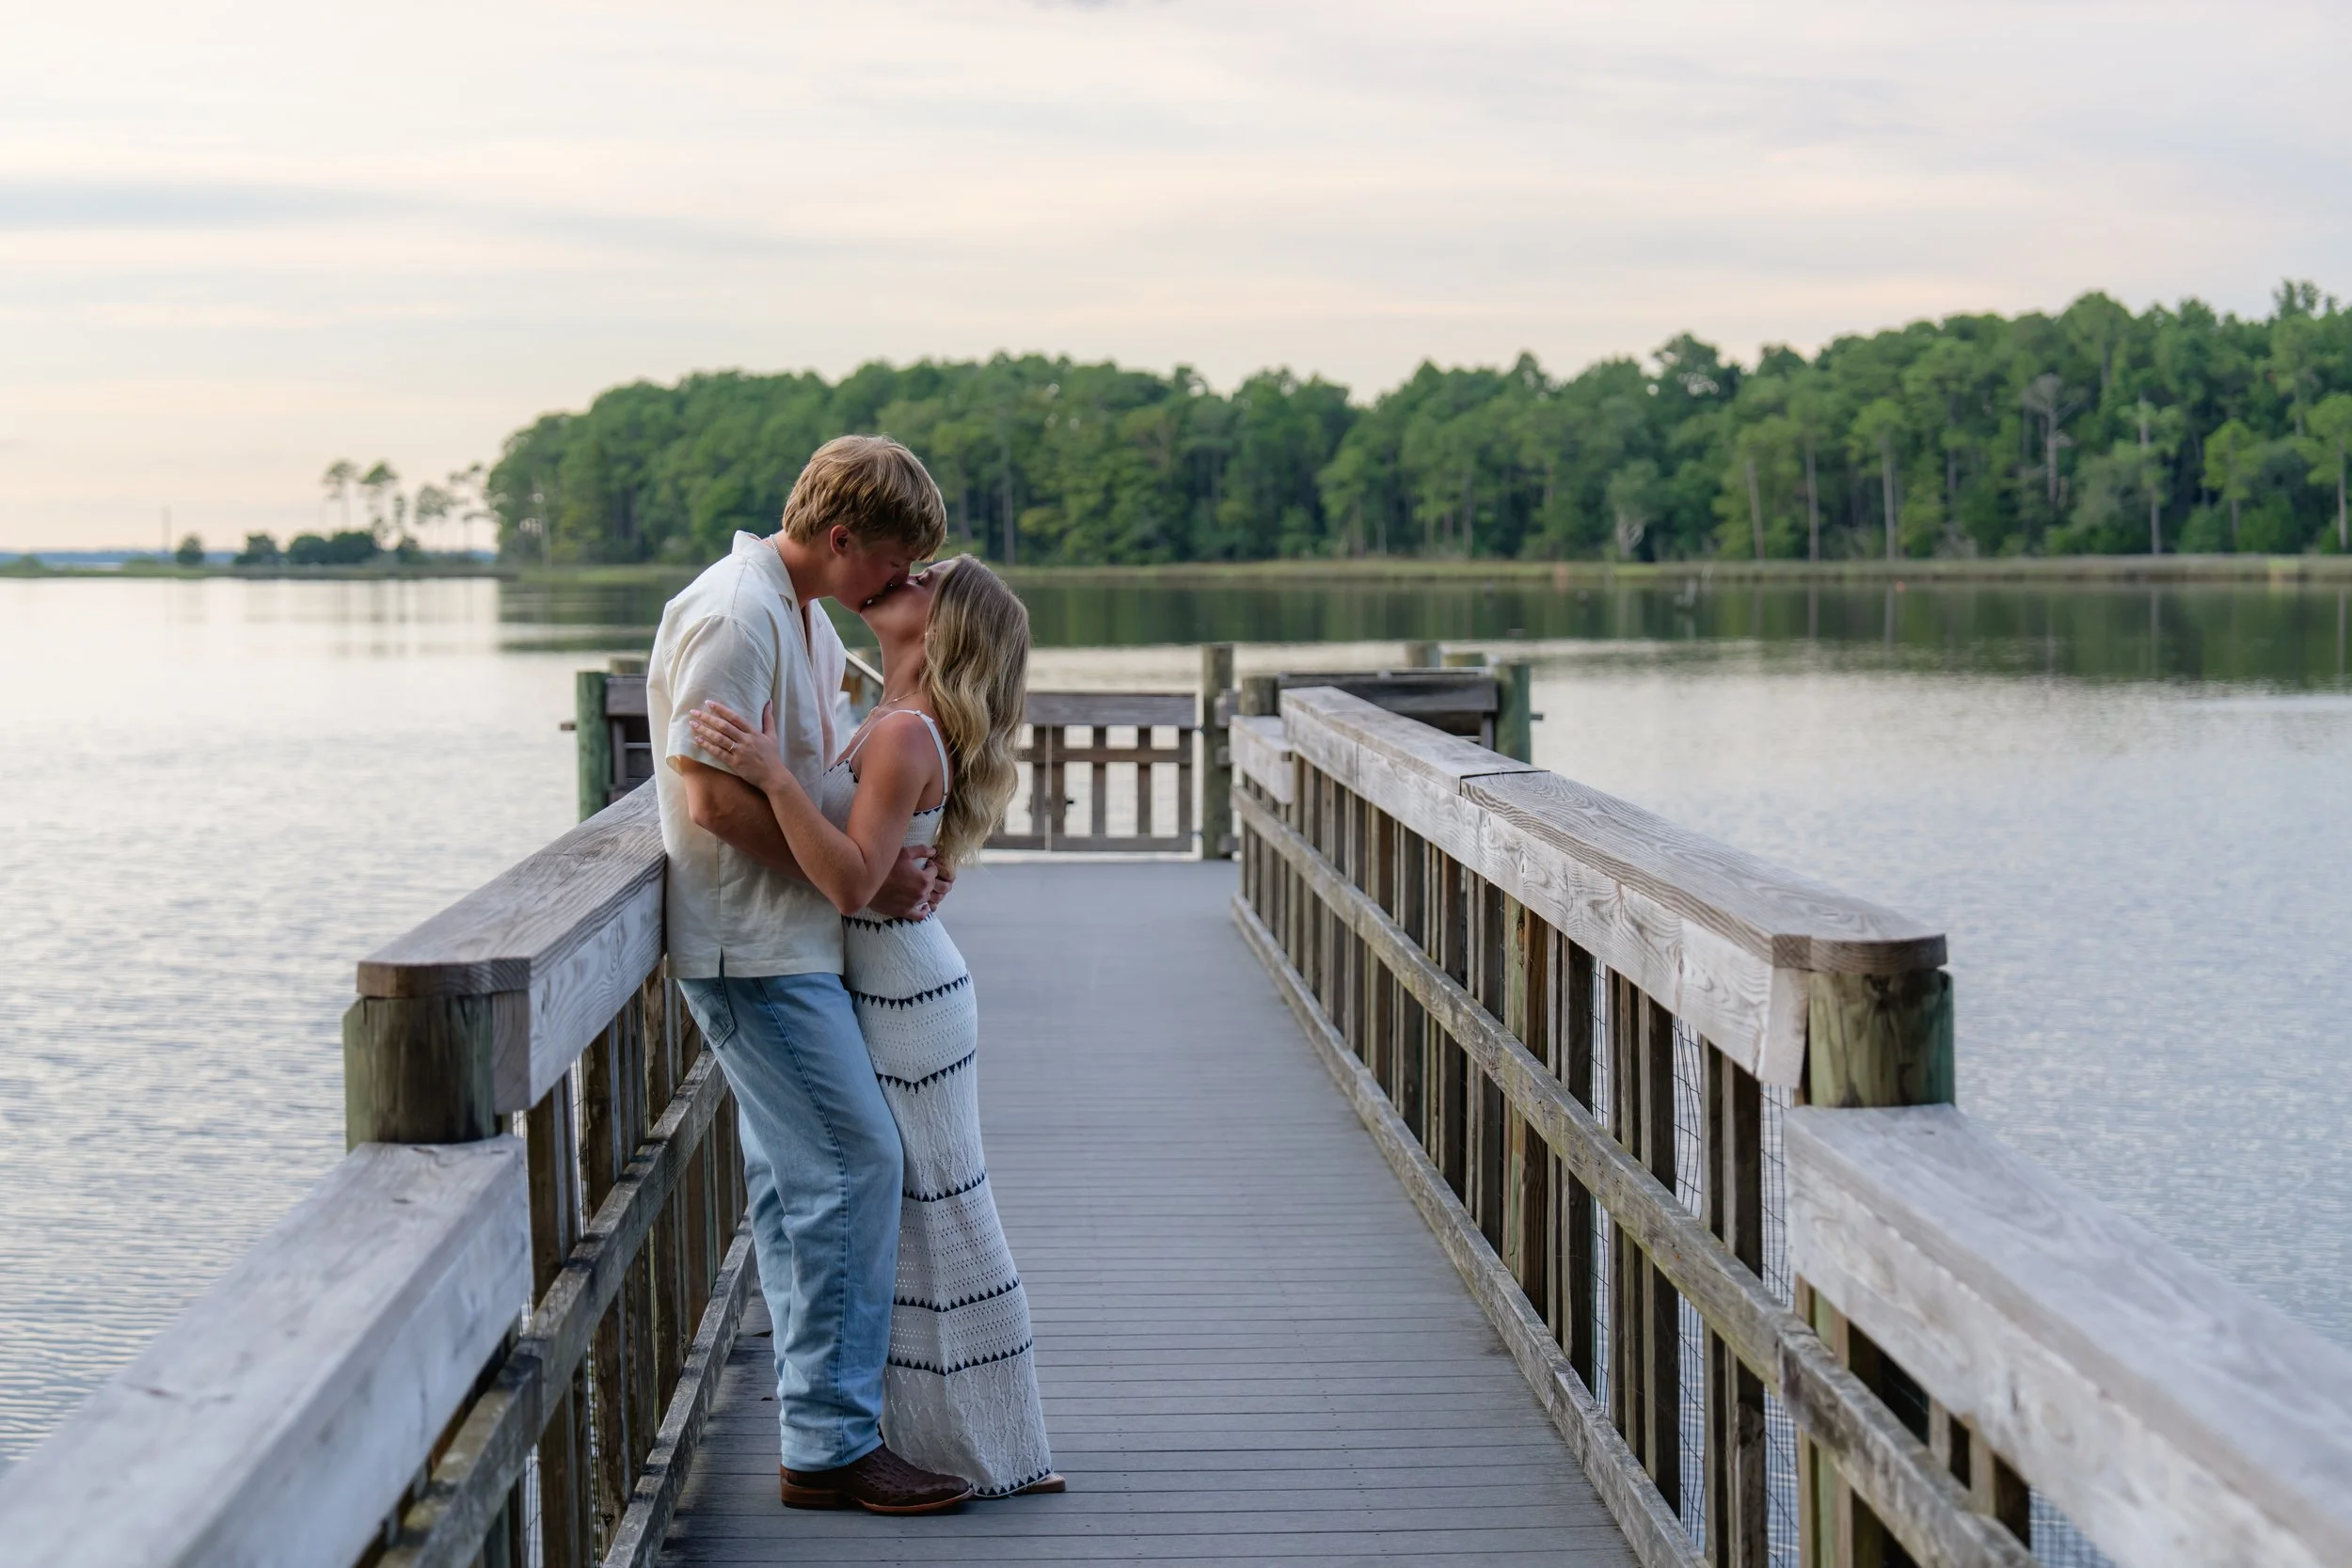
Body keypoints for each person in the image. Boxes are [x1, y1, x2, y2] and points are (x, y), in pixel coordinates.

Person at [648, 435, 974, 1514]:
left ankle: (817, 1428)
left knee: (806, 1189)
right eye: (891, 561)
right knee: (855, 1161)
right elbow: (710, 796)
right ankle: (832, 1444)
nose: (899, 582)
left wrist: (876, 867)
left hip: (789, 939)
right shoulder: (738, 613)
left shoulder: (801, 611)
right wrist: (858, 884)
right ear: (842, 539)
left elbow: (813, 767)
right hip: (751, 944)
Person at [688, 553, 1059, 1499]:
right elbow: (887, 852)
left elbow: (853, 879)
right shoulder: (876, 710)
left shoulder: (898, 730)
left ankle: (987, 1440)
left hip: (900, 986)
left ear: (945, 626)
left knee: (935, 1200)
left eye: (926, 574)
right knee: (913, 1197)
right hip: (892, 973)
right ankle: (958, 1434)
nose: (905, 571)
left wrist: (771, 775)